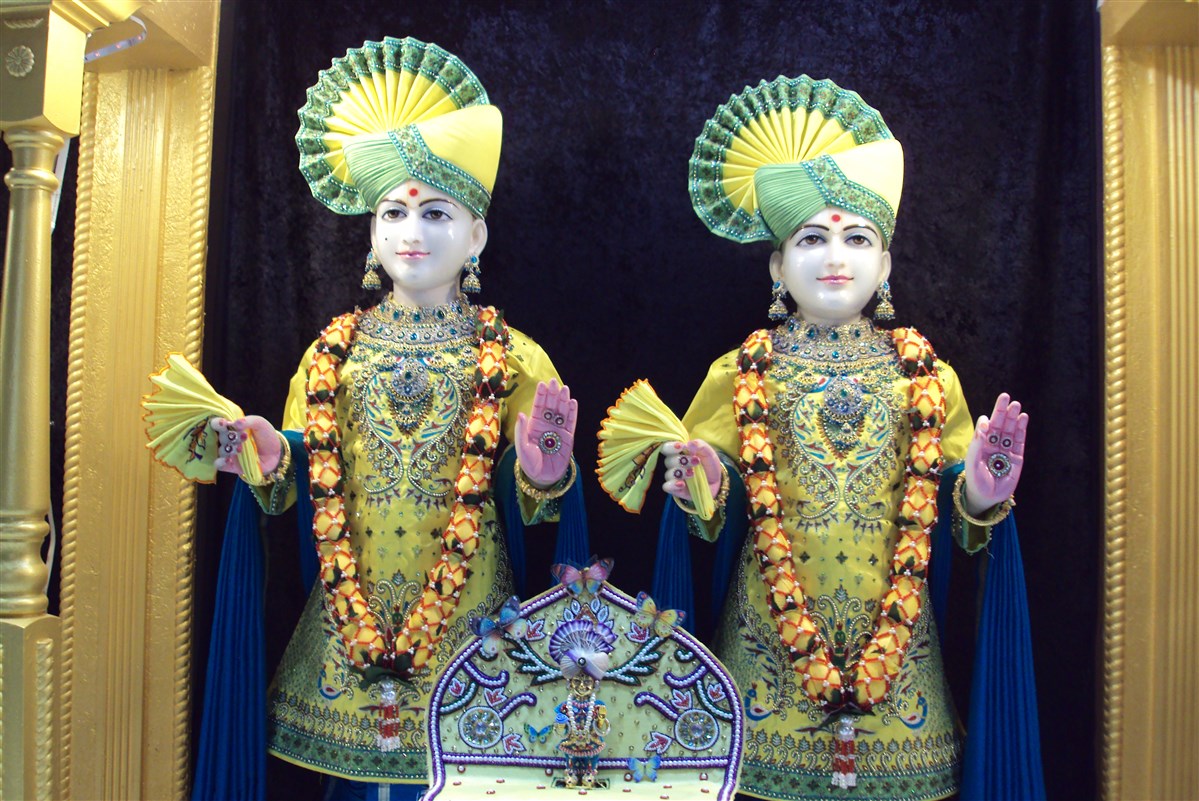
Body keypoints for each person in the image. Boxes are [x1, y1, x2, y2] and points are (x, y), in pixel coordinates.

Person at [194, 37, 582, 801]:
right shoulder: (331, 354)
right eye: (394, 212)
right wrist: (274, 460)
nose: (413, 232)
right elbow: (303, 480)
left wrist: (541, 476)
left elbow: (539, 503)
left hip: (473, 636)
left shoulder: (515, 356)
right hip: (350, 628)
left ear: (475, 235)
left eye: (436, 213)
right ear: (372, 232)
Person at [652, 76, 1043, 800]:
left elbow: (958, 521)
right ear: (777, 265)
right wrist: (700, 486)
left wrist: (979, 498)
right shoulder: (737, 374)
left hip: (900, 679)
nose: (836, 256)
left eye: (856, 237)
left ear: (885, 263)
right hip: (763, 675)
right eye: (811, 238)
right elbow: (711, 517)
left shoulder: (927, 379)